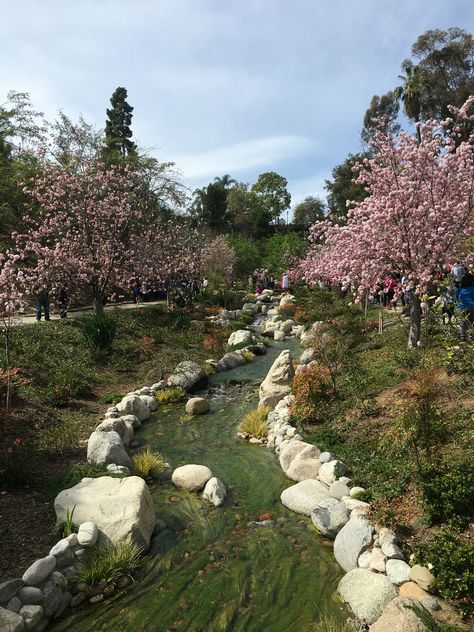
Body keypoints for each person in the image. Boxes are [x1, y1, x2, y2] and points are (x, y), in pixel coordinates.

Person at [456, 272, 474, 340]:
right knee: (472, 322)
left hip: (463, 308)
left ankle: (463, 336)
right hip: (473, 307)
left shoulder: (461, 290)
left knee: (463, 322)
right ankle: (472, 336)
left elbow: (456, 298)